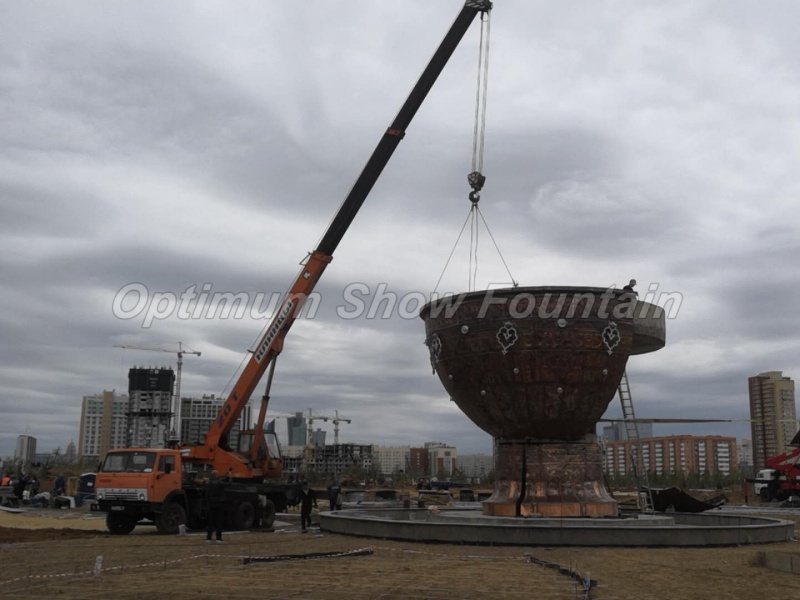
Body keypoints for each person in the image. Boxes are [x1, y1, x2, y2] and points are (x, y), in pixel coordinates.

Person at [205, 471, 229, 543]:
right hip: (219, 504)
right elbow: (229, 484)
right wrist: (230, 478)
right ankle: (218, 538)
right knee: (219, 521)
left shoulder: (209, 483)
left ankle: (209, 537)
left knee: (210, 521)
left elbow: (207, 492)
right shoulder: (220, 483)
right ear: (217, 475)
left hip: (211, 503)